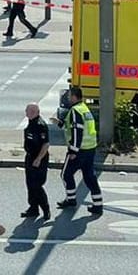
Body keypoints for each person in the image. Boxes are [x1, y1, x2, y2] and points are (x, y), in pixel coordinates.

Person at [52, 86, 103, 214]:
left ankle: (71, 200)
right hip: (90, 149)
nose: (68, 98)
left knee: (65, 175)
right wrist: (59, 123)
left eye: (69, 96)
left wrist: (73, 151)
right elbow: (73, 127)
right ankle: (98, 204)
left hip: (79, 150)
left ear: (74, 97)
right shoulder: (84, 109)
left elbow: (77, 131)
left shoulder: (75, 111)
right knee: (89, 177)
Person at [21, 103, 51, 219]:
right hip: (30, 157)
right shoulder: (31, 123)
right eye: (26, 110)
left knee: (37, 186)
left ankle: (46, 209)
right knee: (30, 185)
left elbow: (46, 144)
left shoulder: (40, 125)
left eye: (28, 111)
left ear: (35, 112)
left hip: (39, 159)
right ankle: (33, 208)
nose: (26, 113)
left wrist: (38, 159)